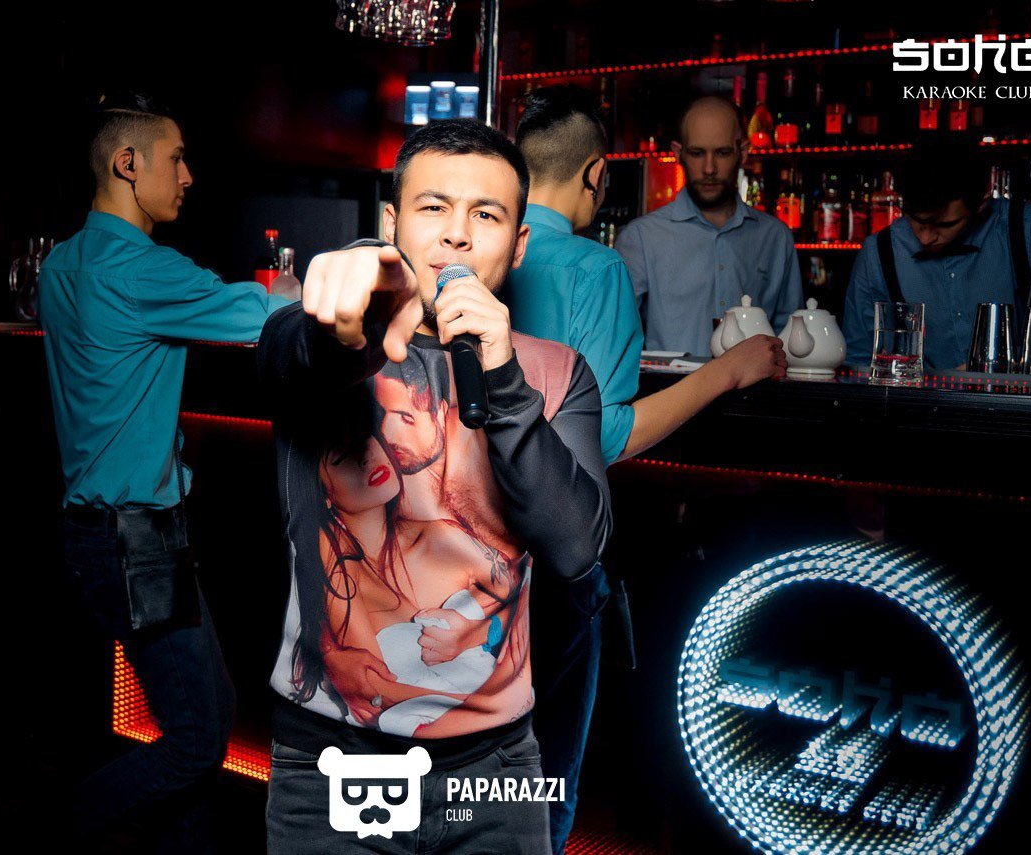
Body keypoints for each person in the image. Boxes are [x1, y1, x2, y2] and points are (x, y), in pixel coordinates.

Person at [259, 118, 611, 854]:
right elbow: (294, 354)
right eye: (433, 208)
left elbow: (577, 547)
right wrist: (339, 320)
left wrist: (504, 378)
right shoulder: (331, 336)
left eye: (485, 214)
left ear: (519, 242)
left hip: (495, 765)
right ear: (391, 223)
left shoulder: (556, 372)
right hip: (334, 760)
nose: (456, 234)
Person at [502, 84, 786, 854]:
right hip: (557, 556)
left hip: (473, 552)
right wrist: (724, 374)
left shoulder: (484, 250)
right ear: (598, 175)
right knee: (544, 784)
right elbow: (604, 434)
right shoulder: (594, 267)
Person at [38, 92, 292, 851]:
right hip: (134, 541)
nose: (188, 176)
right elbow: (269, 317)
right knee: (197, 739)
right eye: (175, 158)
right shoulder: (147, 270)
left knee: (208, 712)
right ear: (128, 163)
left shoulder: (61, 263)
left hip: (96, 535)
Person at [843, 140, 1031, 370]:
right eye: (915, 220)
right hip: (921, 397)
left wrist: (1005, 366)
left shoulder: (1030, 230)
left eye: (945, 224)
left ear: (981, 203)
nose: (925, 238)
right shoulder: (878, 253)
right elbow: (858, 359)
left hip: (1019, 395)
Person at [616, 95, 803, 356]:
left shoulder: (775, 238)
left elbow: (792, 344)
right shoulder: (641, 238)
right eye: (697, 153)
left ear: (743, 153)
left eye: (722, 153)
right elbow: (617, 342)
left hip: (757, 384)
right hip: (671, 384)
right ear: (678, 154)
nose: (709, 168)